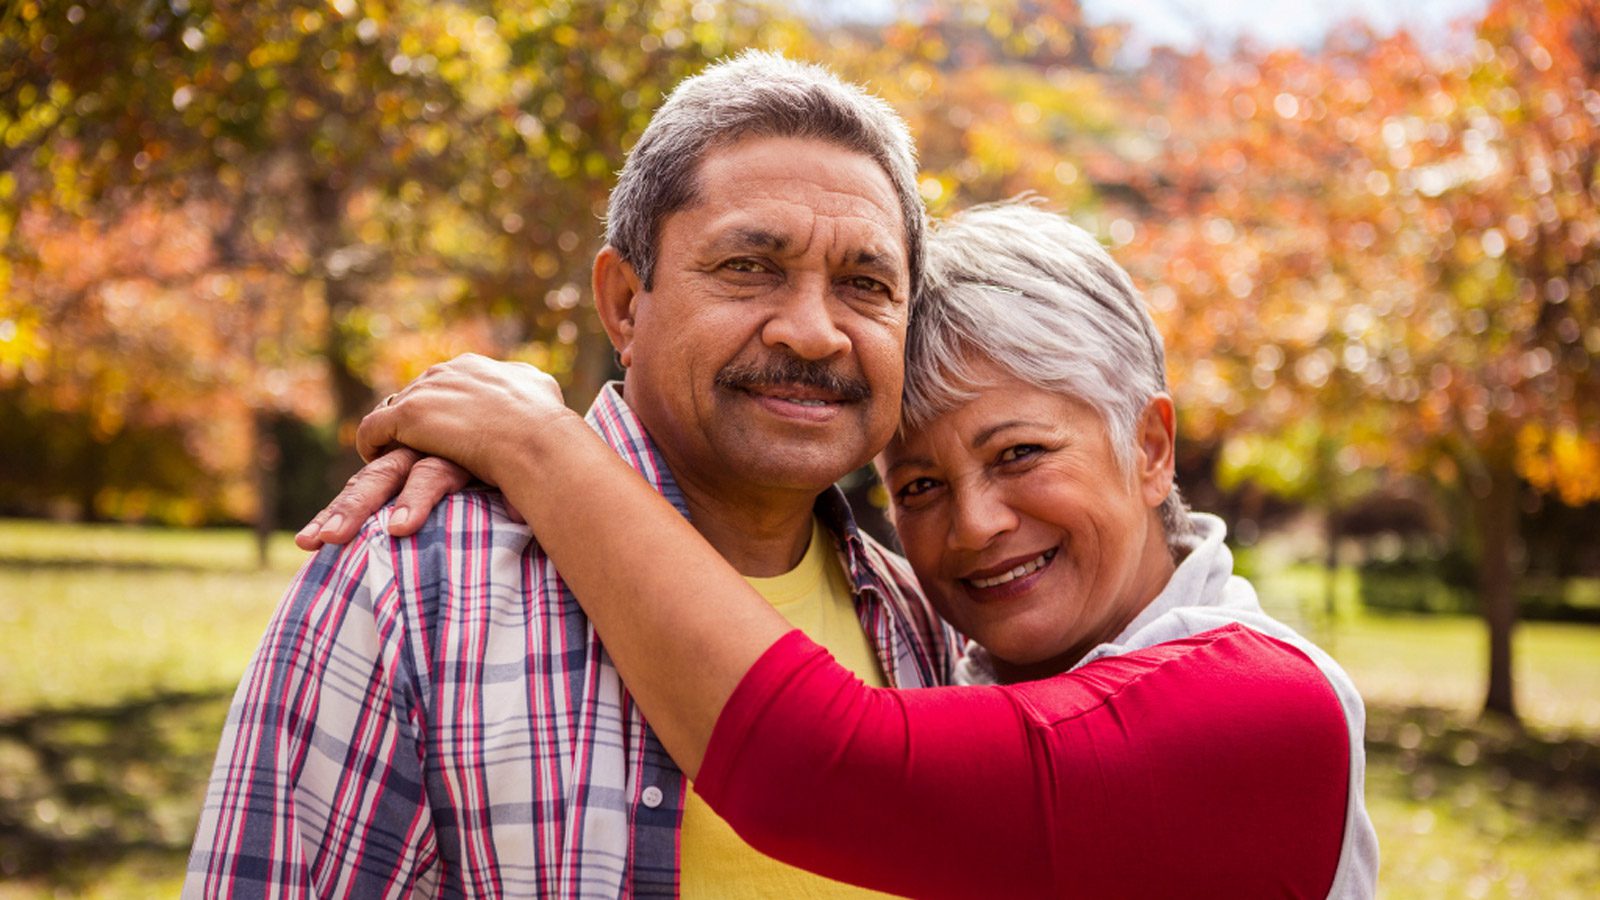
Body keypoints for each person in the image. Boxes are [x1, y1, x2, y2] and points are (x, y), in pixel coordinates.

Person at [328, 202, 1381, 897]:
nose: (973, 526)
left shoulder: (1263, 704)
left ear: (1149, 448)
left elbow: (824, 770)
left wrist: (538, 447)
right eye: (917, 486)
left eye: (1019, 453)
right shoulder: (928, 650)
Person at [186, 51, 960, 898]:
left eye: (865, 283)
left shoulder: (926, 617)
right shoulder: (414, 586)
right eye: (749, 267)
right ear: (626, 303)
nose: (813, 332)